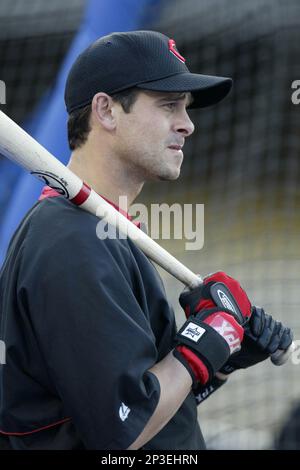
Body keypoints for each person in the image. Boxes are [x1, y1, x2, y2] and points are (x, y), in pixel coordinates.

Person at [0, 30, 293, 450]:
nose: (187, 125)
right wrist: (203, 341)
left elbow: (138, 413)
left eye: (186, 109)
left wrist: (217, 361)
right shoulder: (71, 242)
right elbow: (124, 429)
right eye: (168, 105)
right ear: (107, 111)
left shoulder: (99, 229)